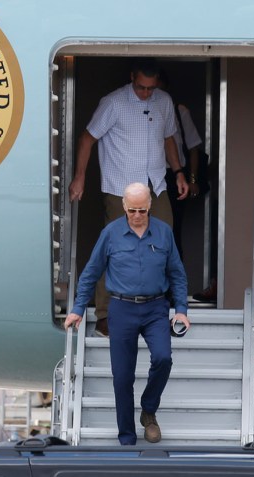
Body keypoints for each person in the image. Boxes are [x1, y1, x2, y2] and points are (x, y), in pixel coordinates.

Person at [69, 59, 189, 337]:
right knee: (114, 249)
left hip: (156, 185)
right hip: (120, 187)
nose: (146, 93)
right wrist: (80, 177)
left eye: (150, 88)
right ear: (132, 77)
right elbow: (87, 138)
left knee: (164, 243)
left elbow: (169, 138)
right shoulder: (113, 103)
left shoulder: (164, 101)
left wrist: (179, 172)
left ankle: (161, 308)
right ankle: (104, 316)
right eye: (140, 87)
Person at [64, 182, 191, 445]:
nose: (136, 216)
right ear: (123, 206)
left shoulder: (164, 233)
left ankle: (148, 409)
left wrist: (181, 310)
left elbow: (177, 274)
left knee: (164, 358)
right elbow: (90, 272)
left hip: (156, 308)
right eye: (132, 210)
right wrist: (78, 309)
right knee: (122, 376)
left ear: (150, 206)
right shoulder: (110, 234)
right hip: (121, 309)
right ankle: (127, 438)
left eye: (142, 211)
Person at [158, 69, 204, 260]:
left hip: (175, 176)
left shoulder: (179, 110)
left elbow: (193, 147)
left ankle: (174, 287)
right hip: (148, 175)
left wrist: (191, 178)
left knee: (173, 229)